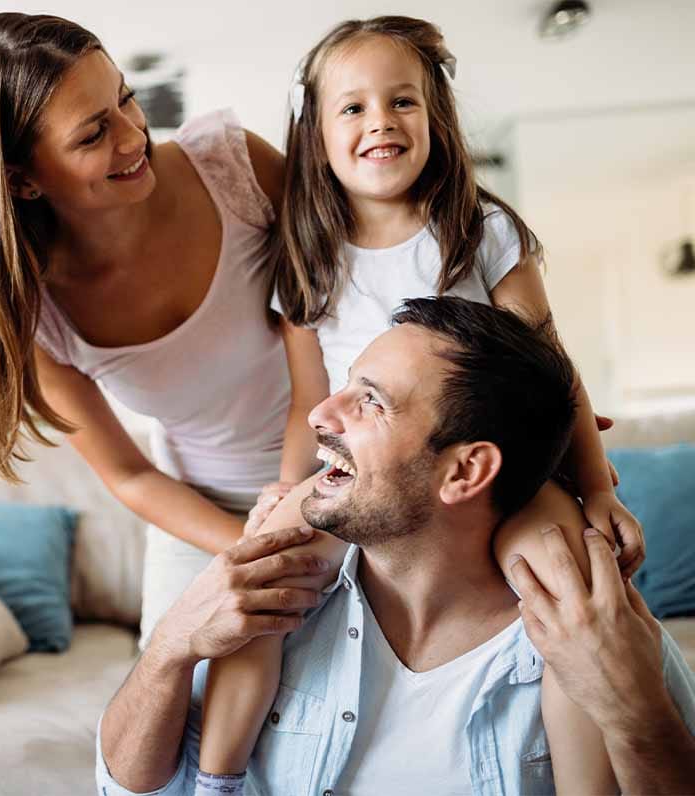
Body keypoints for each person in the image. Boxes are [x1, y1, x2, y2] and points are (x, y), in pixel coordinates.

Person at [198, 17, 643, 791]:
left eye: (403, 102)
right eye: (354, 107)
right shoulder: (308, 258)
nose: (381, 122)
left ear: (435, 116)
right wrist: (286, 487)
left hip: (502, 472)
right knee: (262, 573)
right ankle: (216, 777)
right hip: (362, 472)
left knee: (565, 581)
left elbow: (554, 370)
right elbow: (311, 396)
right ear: (315, 136)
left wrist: (596, 488)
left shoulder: (481, 230)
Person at [97, 297, 695, 796]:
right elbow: (128, 790)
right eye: (344, 385)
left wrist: (634, 716)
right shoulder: (273, 601)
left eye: (372, 402)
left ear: (465, 472)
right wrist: (170, 648)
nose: (321, 415)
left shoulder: (600, 637)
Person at [0, 12, 346, 646]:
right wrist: (250, 548)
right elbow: (130, 475)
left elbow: (342, 310)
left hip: (340, 467)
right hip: (202, 514)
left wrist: (292, 509)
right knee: (173, 699)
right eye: (94, 134)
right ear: (22, 179)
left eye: (127, 99)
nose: (135, 137)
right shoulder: (36, 317)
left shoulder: (236, 167)